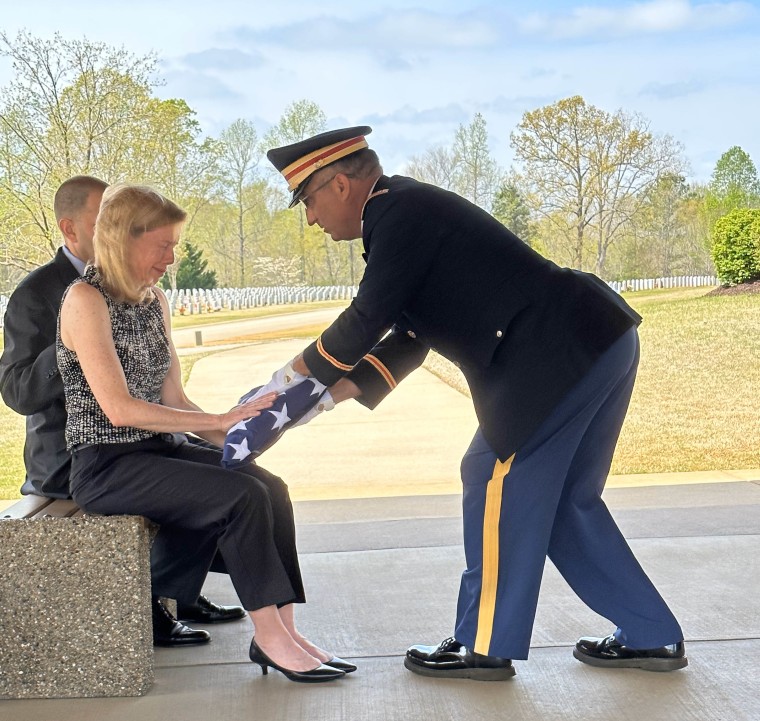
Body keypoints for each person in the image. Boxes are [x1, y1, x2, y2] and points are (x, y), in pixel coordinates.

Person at [264, 126, 687, 680]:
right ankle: (651, 634)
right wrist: (318, 402)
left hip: (553, 358)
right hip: (593, 341)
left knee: (491, 475)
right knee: (563, 502)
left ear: (340, 185)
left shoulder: (398, 215)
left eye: (309, 201)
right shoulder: (403, 215)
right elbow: (409, 338)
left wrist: (281, 387)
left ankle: (483, 644)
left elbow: (364, 320)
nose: (312, 219)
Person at [56, 183, 351, 683]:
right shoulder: (85, 300)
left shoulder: (155, 302)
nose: (172, 258)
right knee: (239, 496)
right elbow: (120, 409)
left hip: (158, 451)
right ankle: (269, 637)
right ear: (124, 239)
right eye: (164, 245)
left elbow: (174, 400)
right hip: (106, 465)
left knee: (269, 487)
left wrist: (241, 437)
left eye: (175, 245)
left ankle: (285, 627)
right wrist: (216, 422)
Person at [0, 176, 247, 647]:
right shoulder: (41, 293)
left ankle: (180, 592)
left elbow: (163, 393)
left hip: (137, 436)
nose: (116, 229)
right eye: (105, 219)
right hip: (69, 457)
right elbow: (16, 393)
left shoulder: (139, 288)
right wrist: (79, 343)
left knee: (224, 470)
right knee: (186, 481)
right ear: (70, 229)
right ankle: (154, 602)